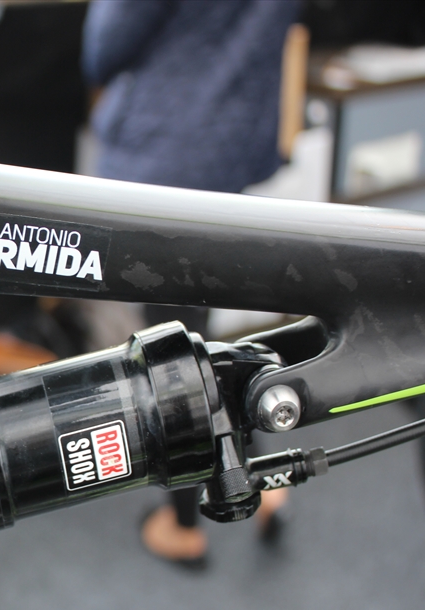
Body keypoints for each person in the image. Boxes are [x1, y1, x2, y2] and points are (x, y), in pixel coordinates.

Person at [82, 0, 299, 568]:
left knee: (173, 351)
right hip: (236, 140)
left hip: (168, 148)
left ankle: (183, 523)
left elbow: (103, 50)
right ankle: (266, 480)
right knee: (202, 328)